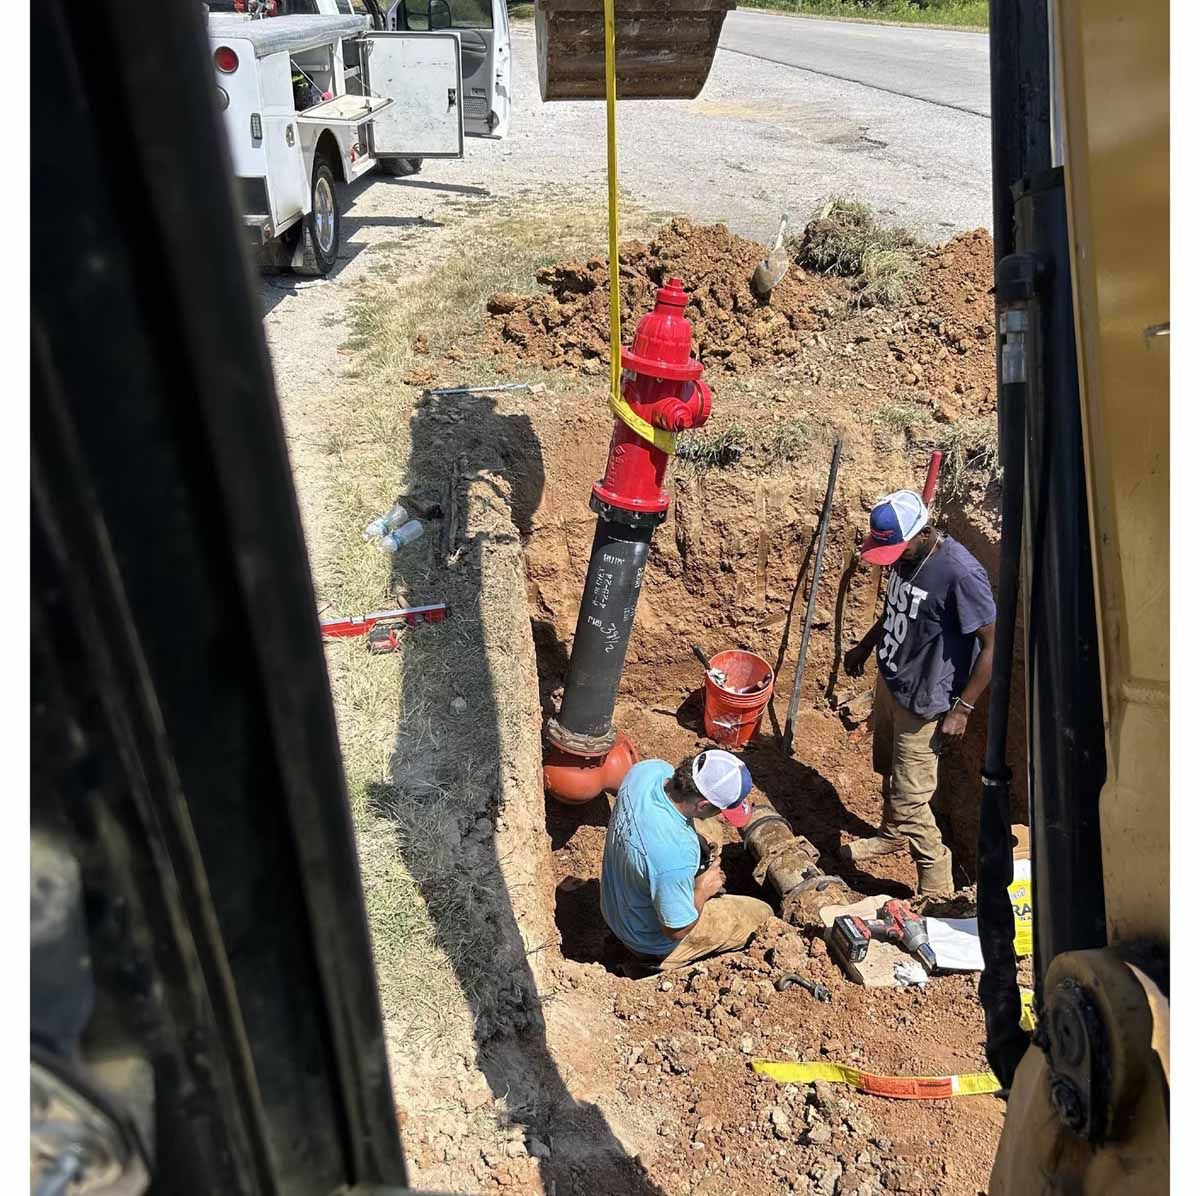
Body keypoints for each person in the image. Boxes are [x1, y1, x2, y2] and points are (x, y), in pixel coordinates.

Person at [842, 489, 996, 895]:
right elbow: (896, 608)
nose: (891, 557)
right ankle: (891, 834)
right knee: (889, 772)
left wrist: (963, 708)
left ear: (923, 533)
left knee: (911, 800)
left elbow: (992, 646)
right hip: (893, 683)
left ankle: (937, 885)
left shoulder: (961, 573)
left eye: (896, 548)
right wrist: (866, 645)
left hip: (927, 701)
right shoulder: (906, 555)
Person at [600, 750, 773, 972]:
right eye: (720, 808)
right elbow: (675, 930)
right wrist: (702, 889)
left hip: (616, 898)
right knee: (762, 915)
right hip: (645, 939)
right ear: (702, 805)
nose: (721, 814)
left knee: (710, 831)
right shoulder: (674, 856)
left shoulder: (649, 771)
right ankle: (648, 966)